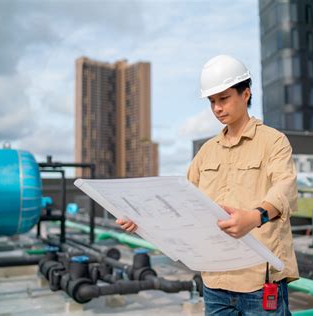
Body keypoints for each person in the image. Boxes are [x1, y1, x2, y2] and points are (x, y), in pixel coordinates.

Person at [117, 54, 299, 315]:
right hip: (214, 280)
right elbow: (180, 204)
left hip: (259, 281)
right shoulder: (206, 152)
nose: (217, 108)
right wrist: (141, 220)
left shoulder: (274, 142)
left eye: (223, 99)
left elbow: (285, 190)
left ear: (245, 93)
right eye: (212, 101)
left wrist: (255, 216)